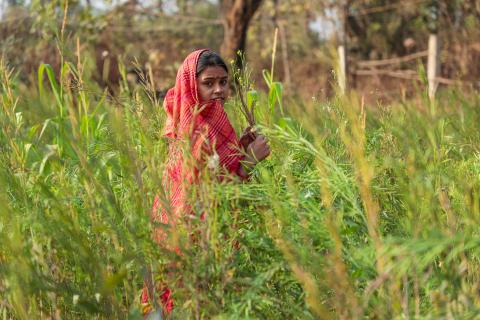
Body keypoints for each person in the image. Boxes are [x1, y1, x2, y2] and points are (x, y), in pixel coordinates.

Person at [141, 49, 270, 317]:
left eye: (223, 82)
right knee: (189, 299)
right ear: (191, 85)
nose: (219, 90)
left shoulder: (214, 119)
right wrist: (249, 161)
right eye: (208, 83)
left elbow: (220, 169)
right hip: (187, 229)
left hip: (203, 227)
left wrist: (242, 147)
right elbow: (205, 190)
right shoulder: (193, 128)